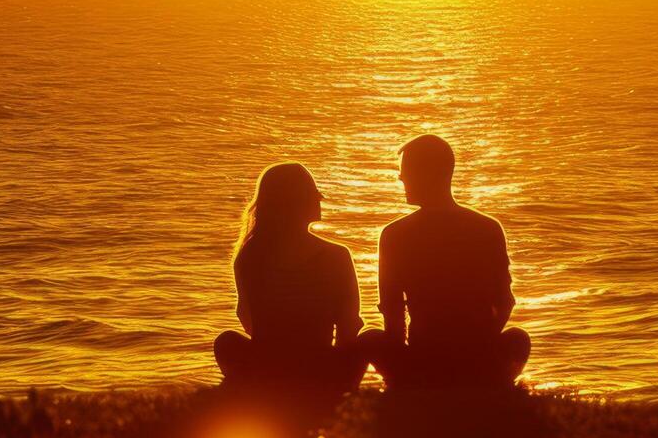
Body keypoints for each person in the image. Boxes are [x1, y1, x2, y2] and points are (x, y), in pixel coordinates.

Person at [364, 135, 530, 389]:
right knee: (517, 338)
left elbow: (393, 314)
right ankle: (489, 384)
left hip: (424, 358)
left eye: (405, 171)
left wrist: (404, 365)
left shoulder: (395, 235)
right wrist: (479, 344)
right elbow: (504, 301)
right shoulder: (487, 228)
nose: (401, 178)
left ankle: (404, 387)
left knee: (371, 338)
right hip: (477, 356)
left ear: (428, 174)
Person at [214, 162, 368, 397]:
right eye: (313, 195)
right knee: (369, 340)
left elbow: (247, 320)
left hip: (269, 366)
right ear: (293, 203)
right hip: (319, 367)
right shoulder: (336, 255)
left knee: (226, 342)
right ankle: (338, 392)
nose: (319, 200)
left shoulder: (249, 256)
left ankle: (256, 390)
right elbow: (348, 326)